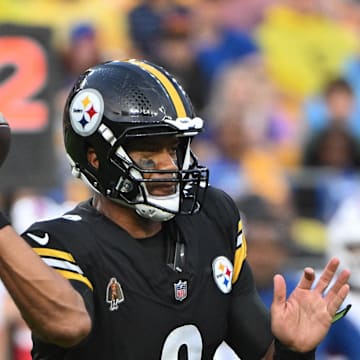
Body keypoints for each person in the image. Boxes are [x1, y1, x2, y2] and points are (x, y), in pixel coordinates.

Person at [0, 59, 352, 359]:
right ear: (96, 158)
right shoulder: (61, 240)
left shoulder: (213, 218)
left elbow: (261, 351)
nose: (168, 165)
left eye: (174, 147)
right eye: (149, 150)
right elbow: (69, 324)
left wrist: (293, 349)